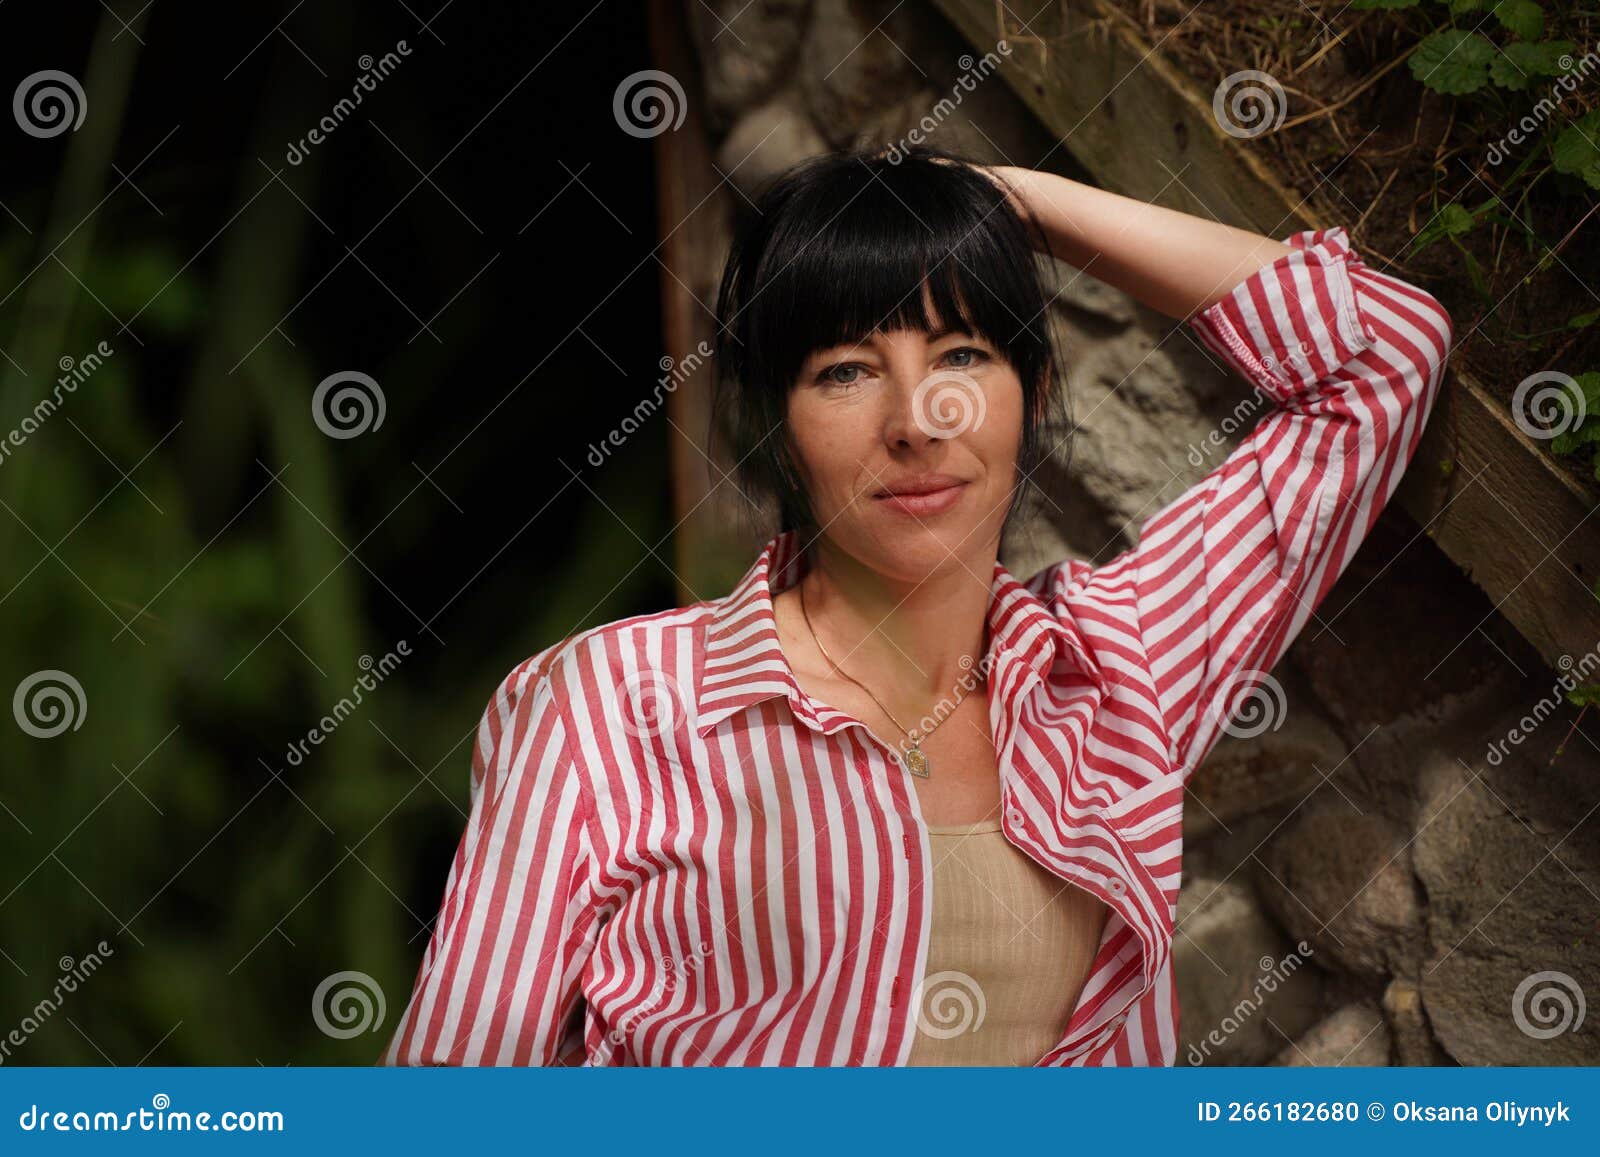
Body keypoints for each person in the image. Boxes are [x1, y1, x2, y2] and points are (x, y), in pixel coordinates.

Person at [381, 144, 1454, 1066]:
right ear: (777, 420)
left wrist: (1007, 203)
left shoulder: (1120, 668)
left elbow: (1381, 355)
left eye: (961, 355)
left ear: (1033, 393)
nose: (917, 418)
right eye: (846, 371)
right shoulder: (612, 708)